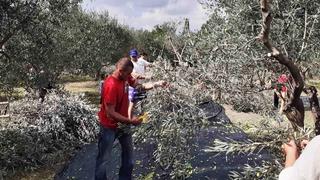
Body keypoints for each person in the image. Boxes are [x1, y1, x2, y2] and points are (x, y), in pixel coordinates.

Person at [95, 57, 166, 180]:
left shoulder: (125, 77)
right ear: (121, 70)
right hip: (109, 127)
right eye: (128, 73)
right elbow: (110, 112)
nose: (130, 76)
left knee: (129, 157)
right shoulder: (111, 85)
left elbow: (139, 86)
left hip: (123, 125)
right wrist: (130, 120)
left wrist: (156, 84)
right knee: (103, 159)